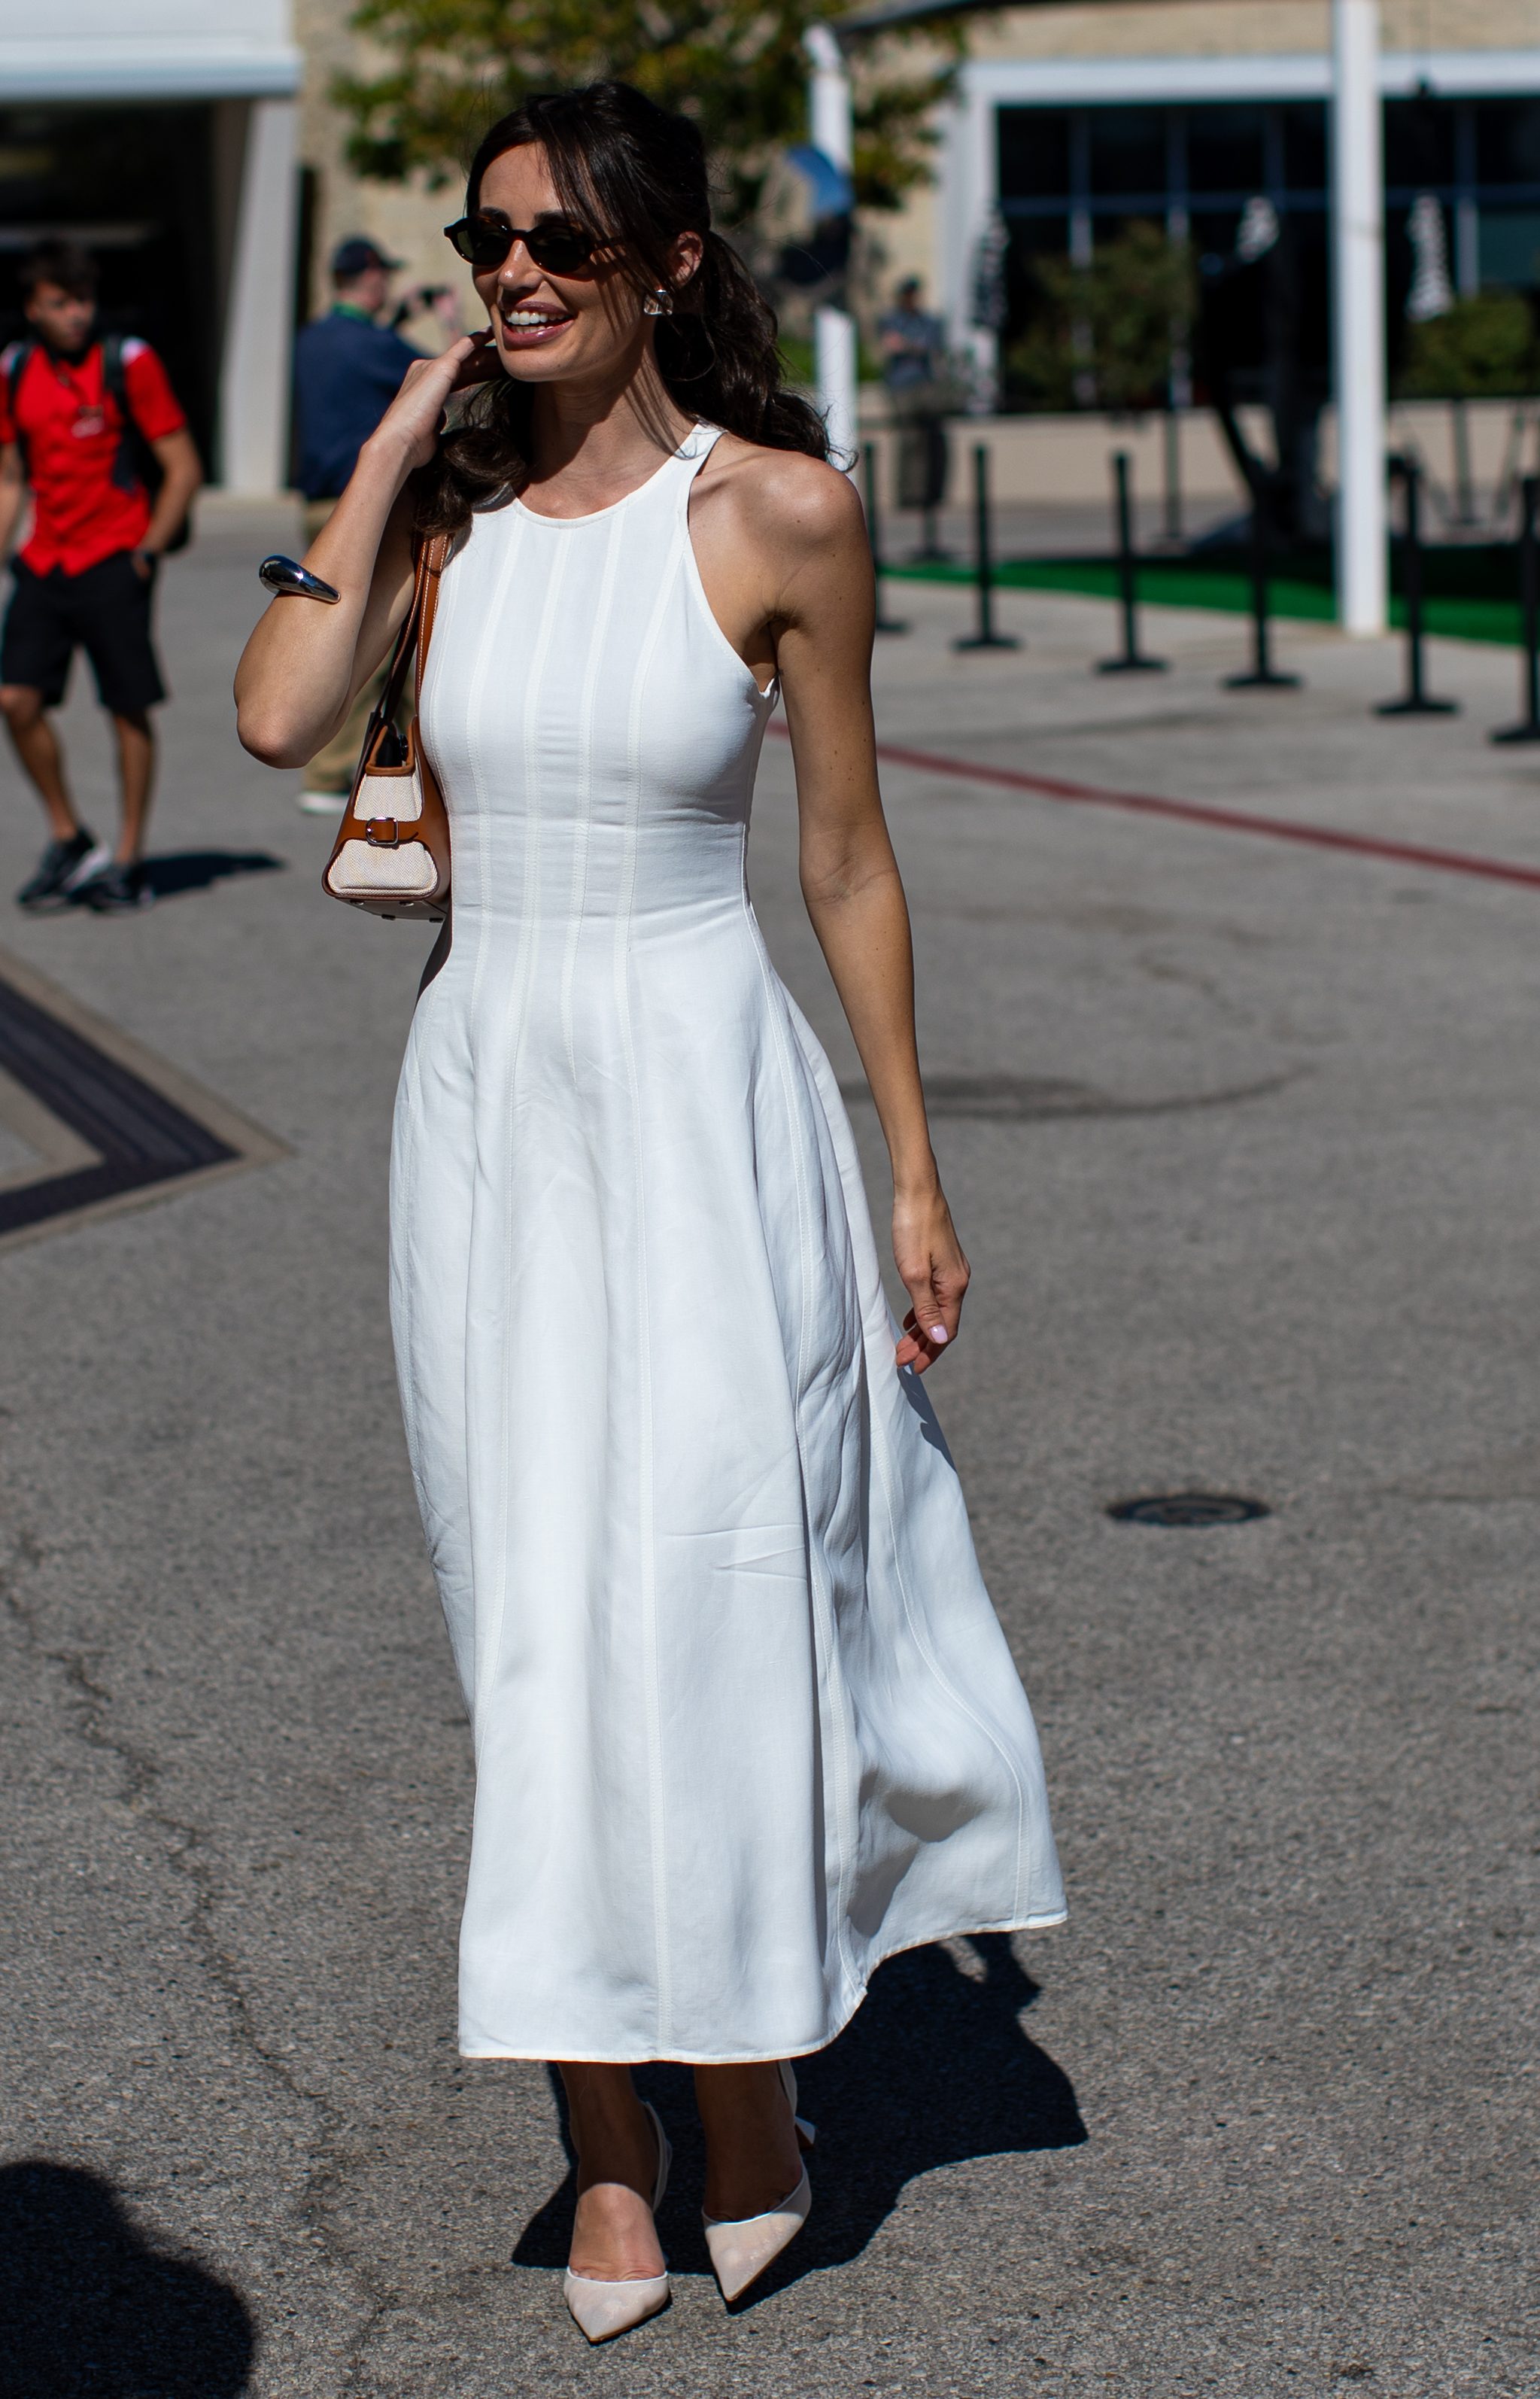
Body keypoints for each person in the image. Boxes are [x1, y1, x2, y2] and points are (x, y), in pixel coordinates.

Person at [237, 82, 1063, 2345]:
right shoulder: (452, 522)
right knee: (525, 1611)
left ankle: (747, 2088)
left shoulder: (780, 511)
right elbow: (276, 716)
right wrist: (386, 453)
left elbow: (847, 860)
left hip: (708, 1097)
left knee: (711, 1599)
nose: (513, 271)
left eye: (560, 243)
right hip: (491, 1106)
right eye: (485, 238)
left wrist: (910, 1163)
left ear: (667, 265)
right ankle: (603, 2137)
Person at [0, 241, 201, 912]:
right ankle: (69, 837)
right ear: (33, 308)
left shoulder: (129, 361)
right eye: (60, 303)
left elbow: (182, 466)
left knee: (126, 708)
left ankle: (128, 859)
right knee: (15, 701)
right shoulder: (14, 368)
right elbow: (10, 476)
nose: (76, 314)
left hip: (114, 557)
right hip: (44, 561)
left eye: (83, 300)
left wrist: (147, 551)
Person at [290, 239, 453, 814]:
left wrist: (396, 322)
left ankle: (385, 761)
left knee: (339, 626)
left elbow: (362, 374)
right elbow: (446, 378)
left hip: (320, 507)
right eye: (383, 274)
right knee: (381, 637)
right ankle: (334, 769)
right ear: (369, 276)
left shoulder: (313, 340)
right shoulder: (373, 345)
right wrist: (446, 321)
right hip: (369, 506)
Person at [879, 276, 954, 558]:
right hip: (901, 387)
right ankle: (909, 496)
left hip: (925, 386)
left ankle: (929, 497)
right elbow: (891, 345)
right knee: (909, 443)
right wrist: (910, 346)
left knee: (932, 445)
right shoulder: (891, 319)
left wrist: (907, 346)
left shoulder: (929, 321)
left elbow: (929, 346)